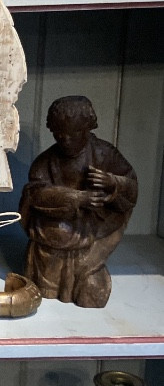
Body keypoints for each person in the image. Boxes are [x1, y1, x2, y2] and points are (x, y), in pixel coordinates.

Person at [19, 95, 137, 308]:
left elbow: (131, 187)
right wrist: (77, 198)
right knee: (44, 288)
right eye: (59, 134)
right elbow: (35, 195)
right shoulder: (45, 162)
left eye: (74, 134)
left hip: (92, 239)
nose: (65, 140)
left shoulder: (104, 155)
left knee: (91, 293)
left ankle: (88, 277)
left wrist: (112, 182)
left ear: (87, 129)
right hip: (53, 239)